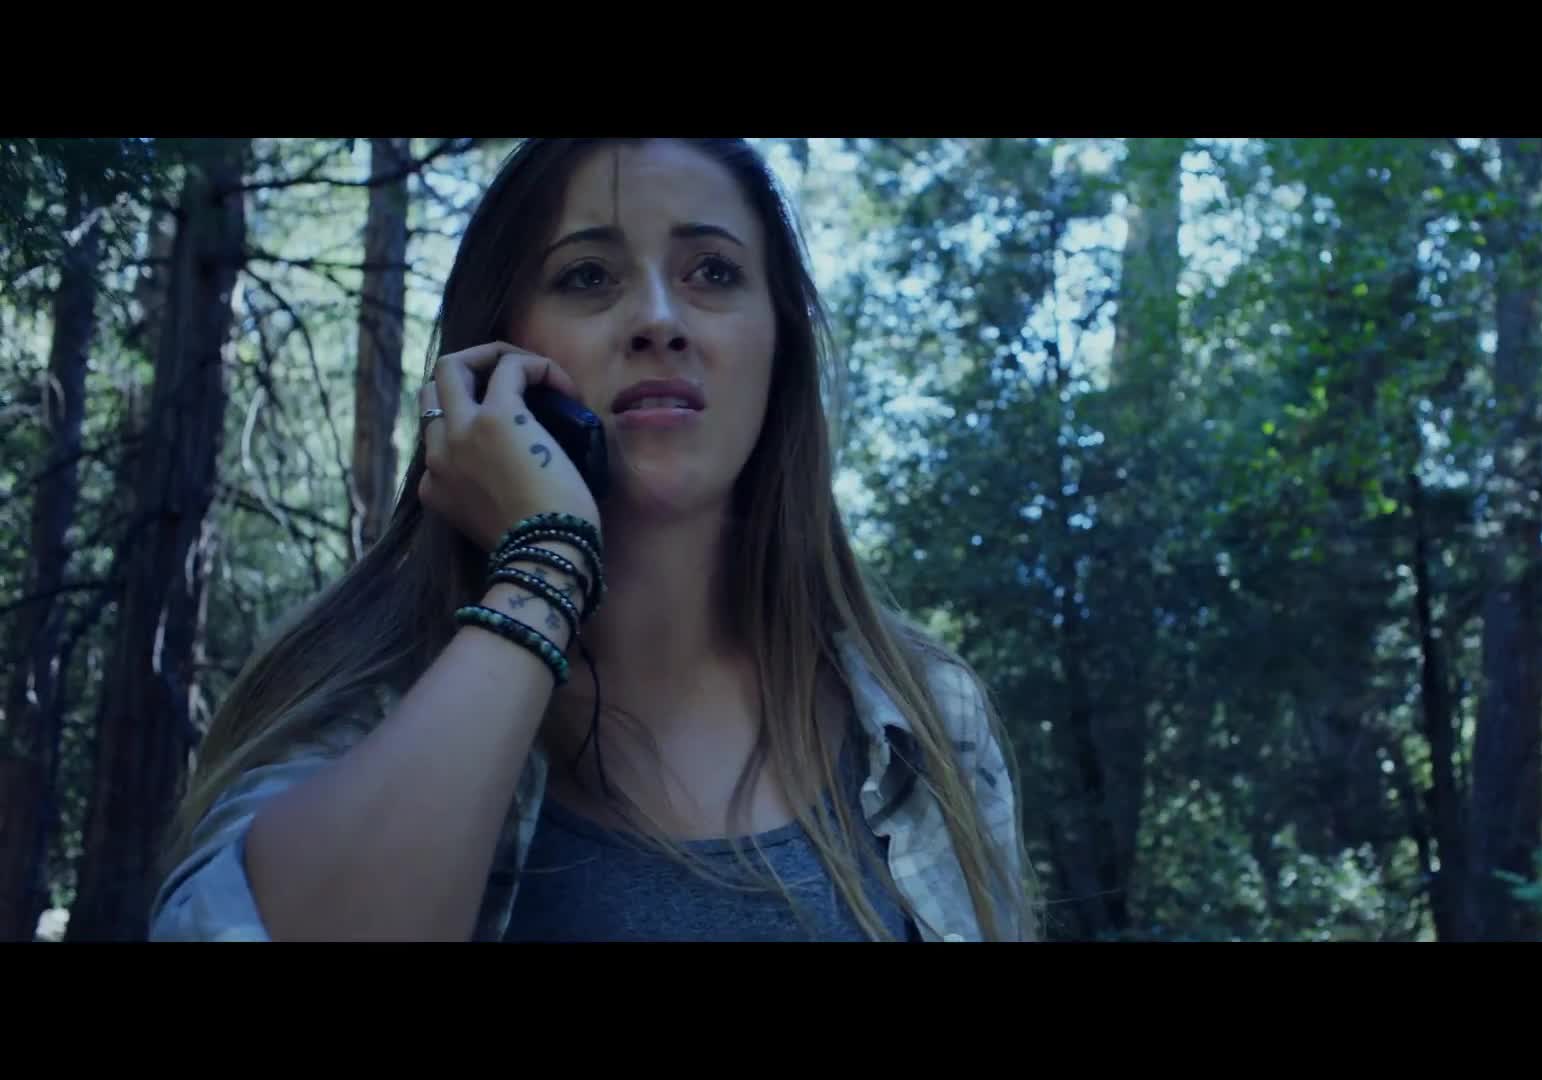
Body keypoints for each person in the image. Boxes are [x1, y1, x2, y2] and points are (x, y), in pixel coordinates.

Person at [148, 138, 1034, 942]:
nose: (659, 319)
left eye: (714, 271)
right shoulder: (353, 702)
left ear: (779, 344)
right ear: (496, 353)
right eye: (586, 276)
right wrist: (544, 566)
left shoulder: (923, 715)